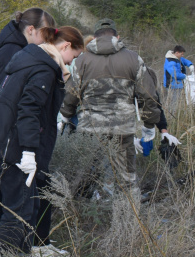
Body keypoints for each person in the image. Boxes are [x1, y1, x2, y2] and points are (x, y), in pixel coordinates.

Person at [0, 27, 84, 257]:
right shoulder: (44, 68)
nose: (72, 62)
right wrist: (29, 152)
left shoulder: (29, 59)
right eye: (74, 56)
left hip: (1, 142)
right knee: (19, 212)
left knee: (21, 206)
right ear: (65, 46)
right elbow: (29, 111)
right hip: (14, 147)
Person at [0, 8, 55, 240]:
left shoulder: (17, 50)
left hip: (0, 133)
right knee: (0, 191)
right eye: (45, 34)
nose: (48, 41)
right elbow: (1, 98)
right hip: (1, 134)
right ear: (30, 30)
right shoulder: (13, 52)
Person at [59, 19, 161, 205]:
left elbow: (71, 94)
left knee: (83, 174)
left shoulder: (82, 60)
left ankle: (74, 215)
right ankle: (128, 218)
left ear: (94, 37)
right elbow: (148, 96)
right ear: (117, 36)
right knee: (126, 178)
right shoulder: (133, 58)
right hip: (122, 129)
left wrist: (65, 116)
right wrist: (148, 127)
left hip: (90, 129)